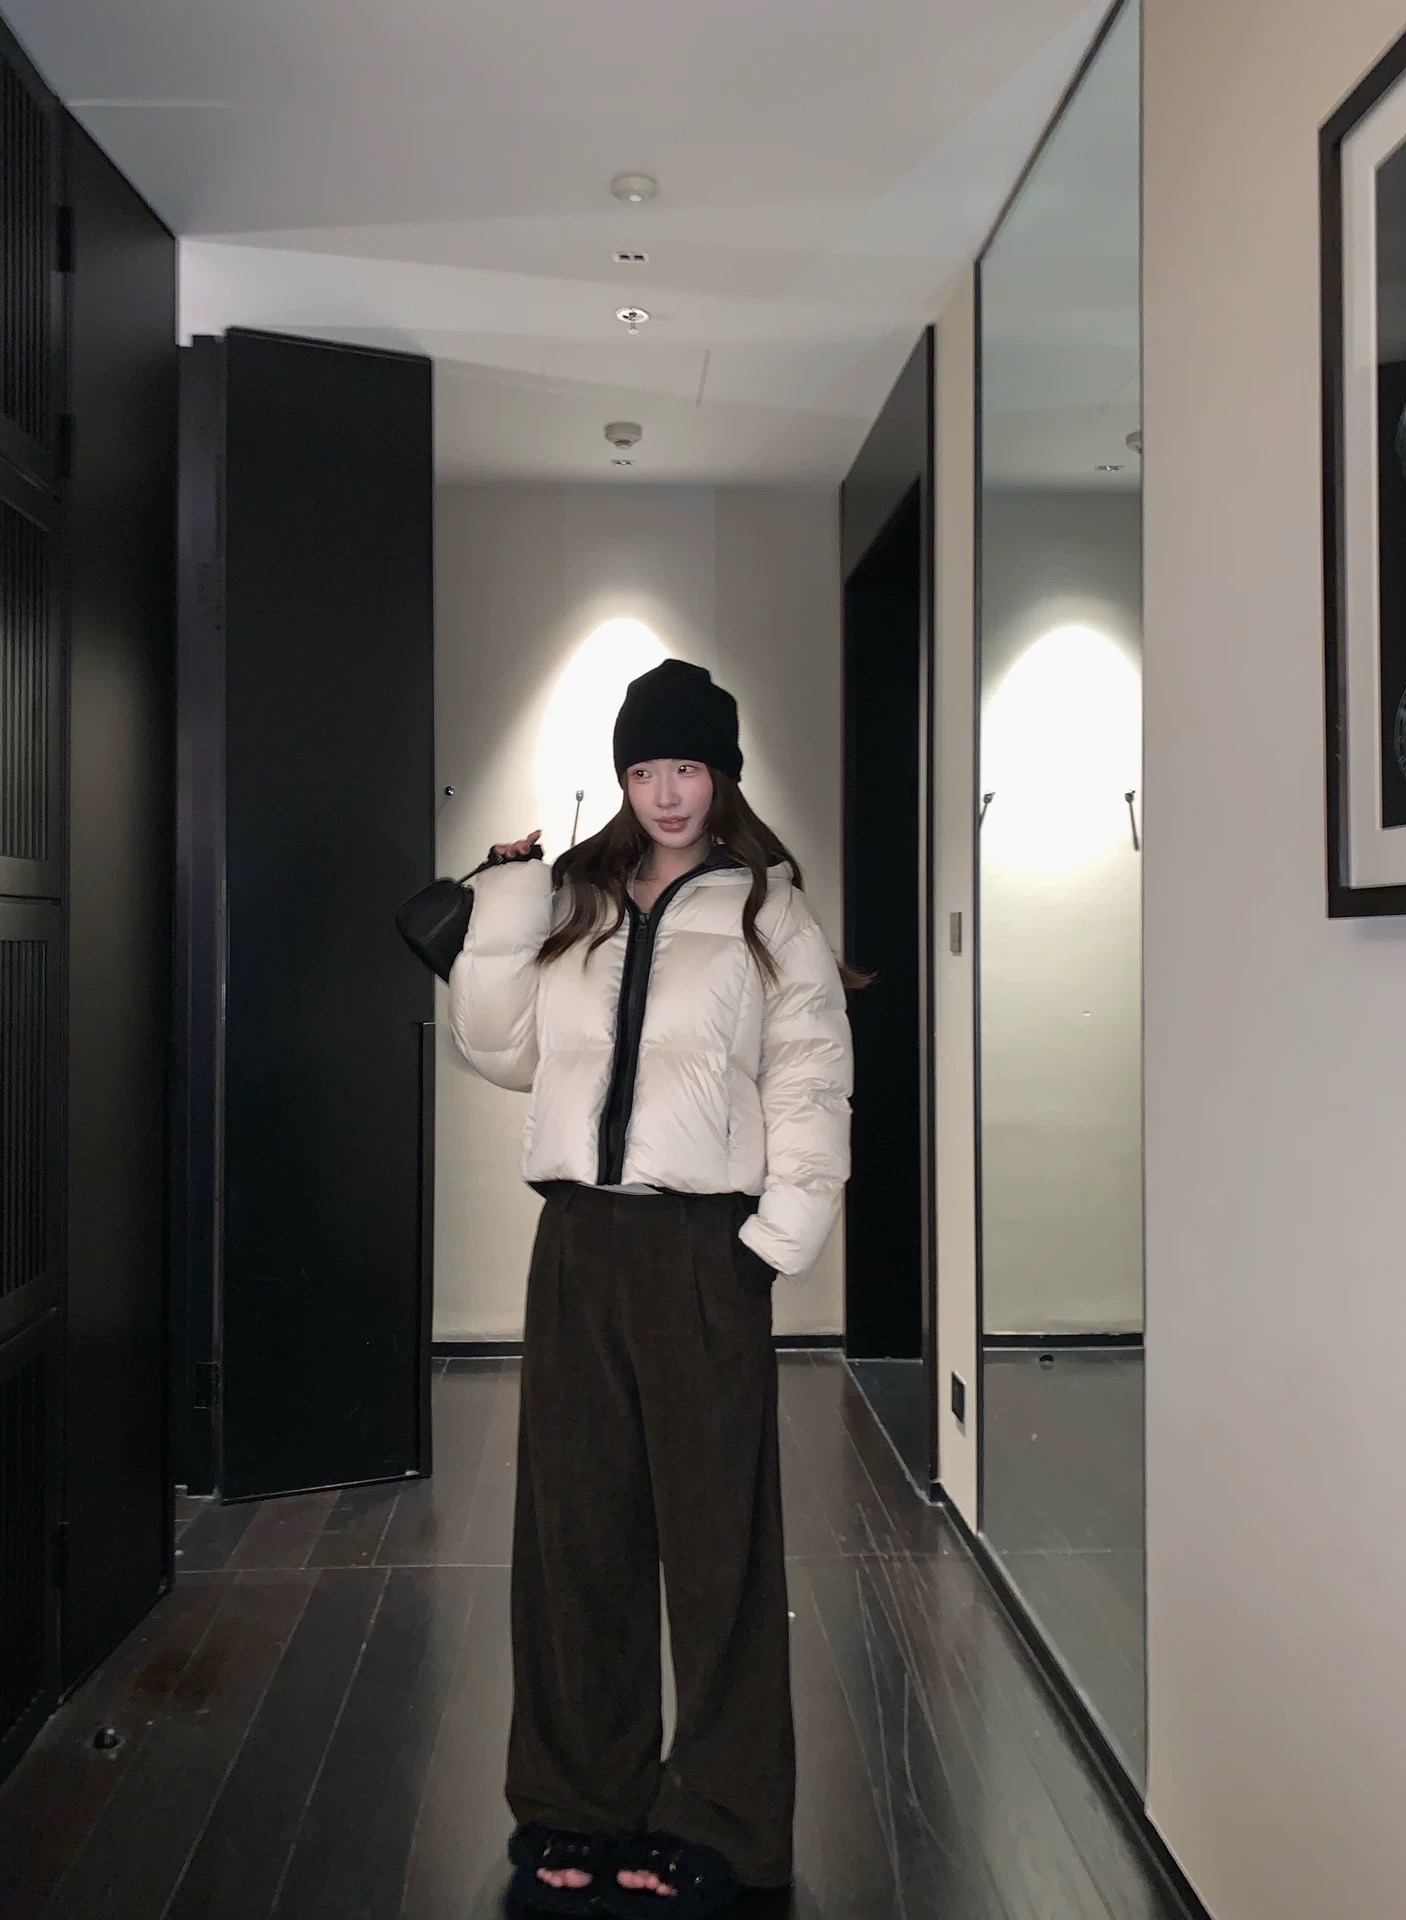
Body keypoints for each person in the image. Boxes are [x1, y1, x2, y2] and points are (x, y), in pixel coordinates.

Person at [448, 658, 854, 1919]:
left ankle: (724, 1816)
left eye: (688, 766)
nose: (667, 792)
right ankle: (578, 1798)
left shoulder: (770, 913)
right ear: (621, 778)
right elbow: (501, 1048)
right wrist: (506, 896)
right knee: (573, 1534)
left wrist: (773, 1242)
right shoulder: (575, 900)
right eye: (644, 769)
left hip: (702, 1250)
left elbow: (810, 1078)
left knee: (718, 1544)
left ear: (722, 773)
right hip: (576, 1245)